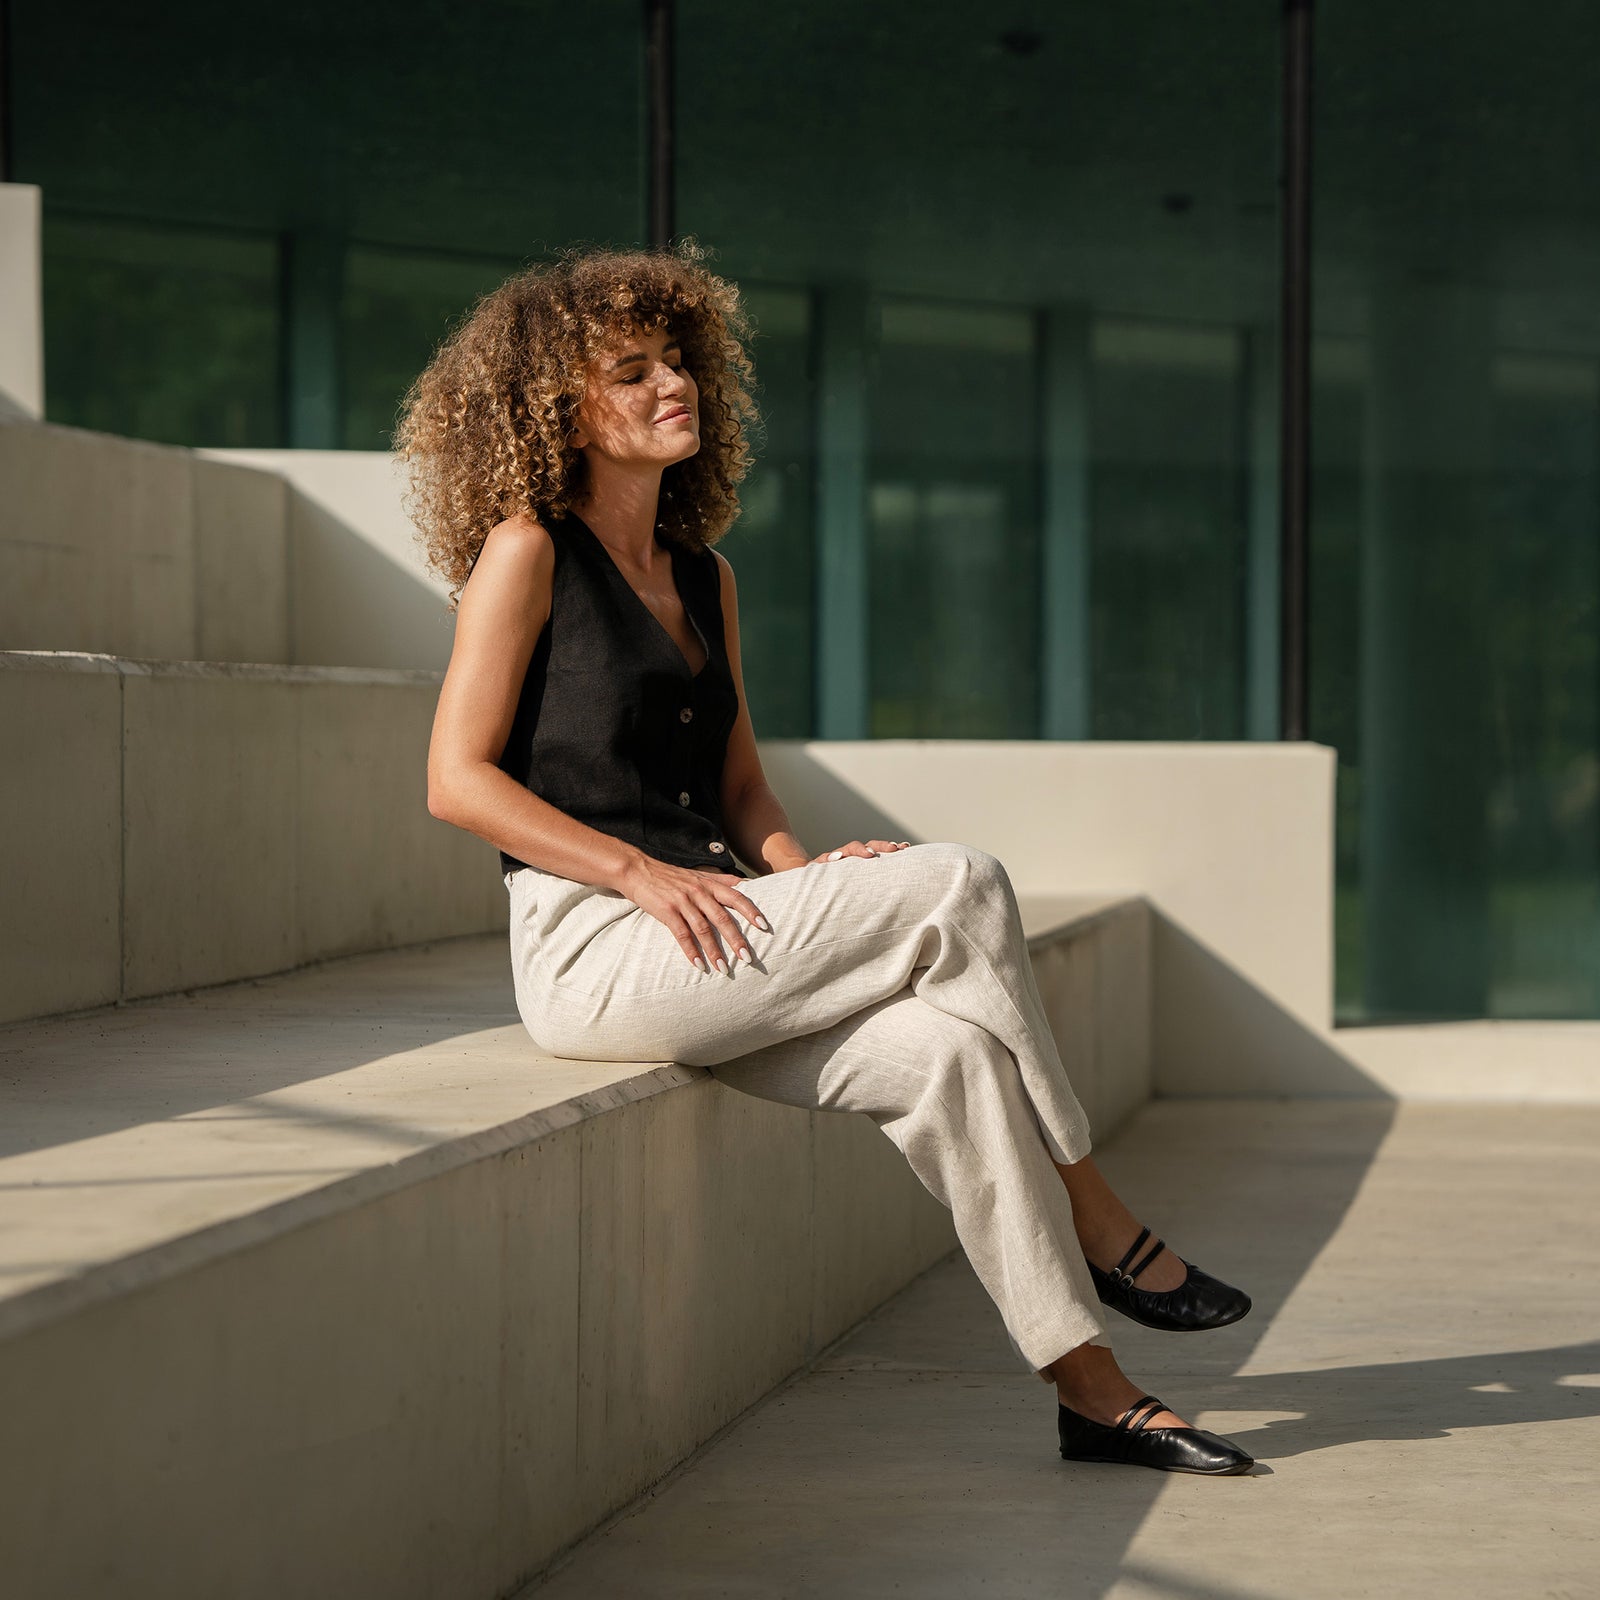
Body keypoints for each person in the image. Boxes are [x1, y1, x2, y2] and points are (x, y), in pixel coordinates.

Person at [401, 244, 1256, 1477]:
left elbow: (742, 786)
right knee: (960, 879)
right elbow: (454, 779)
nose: (671, 384)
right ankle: (1099, 1211)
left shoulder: (706, 577)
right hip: (593, 949)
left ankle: (1090, 1389)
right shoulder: (526, 551)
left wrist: (803, 874)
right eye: (630, 372)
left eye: (677, 360)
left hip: (722, 930)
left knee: (952, 1057)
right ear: (560, 409)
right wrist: (636, 876)